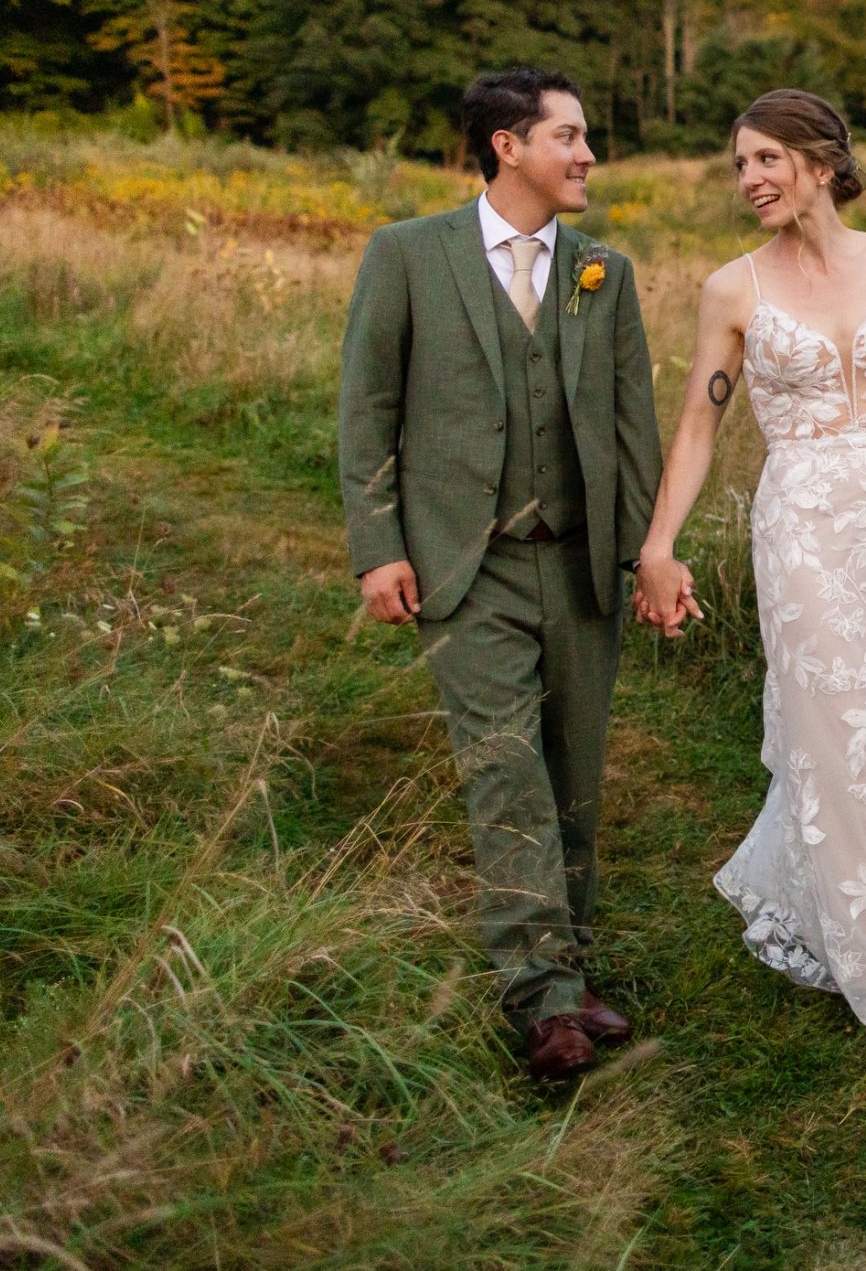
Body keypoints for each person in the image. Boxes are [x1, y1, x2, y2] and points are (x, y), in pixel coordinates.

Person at [634, 88, 866, 1086]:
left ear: (821, 158)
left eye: (764, 158)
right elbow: (701, 424)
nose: (747, 178)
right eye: (738, 164)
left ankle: (817, 890)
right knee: (840, 739)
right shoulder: (731, 288)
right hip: (801, 524)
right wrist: (659, 543)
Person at [336, 66, 662, 1082]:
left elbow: (632, 428)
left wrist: (647, 551)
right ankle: (544, 1001)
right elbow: (365, 409)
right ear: (506, 145)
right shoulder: (406, 254)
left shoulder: (602, 270)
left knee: (572, 773)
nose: (587, 155)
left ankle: (570, 961)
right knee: (506, 769)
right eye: (568, 135)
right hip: (462, 566)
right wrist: (378, 543)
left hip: (579, 566)